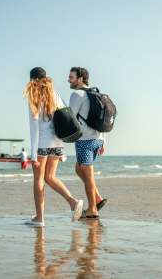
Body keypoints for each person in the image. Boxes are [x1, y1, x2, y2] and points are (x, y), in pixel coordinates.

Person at [24, 67, 84, 227]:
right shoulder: (55, 94)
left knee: (39, 179)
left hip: (42, 144)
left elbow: (34, 127)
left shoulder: (34, 97)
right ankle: (72, 202)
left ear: (32, 80)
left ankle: (39, 218)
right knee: (50, 177)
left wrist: (33, 155)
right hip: (57, 143)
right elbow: (67, 114)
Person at [68, 67, 108, 219]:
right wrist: (103, 141)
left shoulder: (77, 94)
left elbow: (70, 118)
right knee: (79, 169)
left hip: (85, 140)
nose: (68, 80)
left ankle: (92, 209)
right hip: (97, 139)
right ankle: (97, 198)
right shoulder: (95, 93)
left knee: (88, 175)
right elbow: (100, 120)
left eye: (71, 77)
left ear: (80, 79)